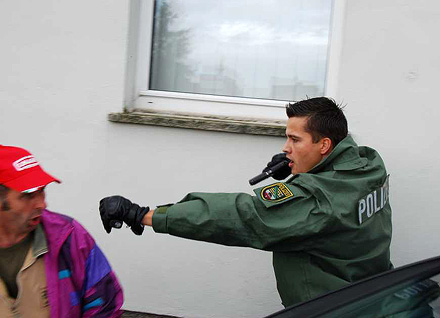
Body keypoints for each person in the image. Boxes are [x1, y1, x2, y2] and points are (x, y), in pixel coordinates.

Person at [99, 97, 392, 307]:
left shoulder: (316, 201)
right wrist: (300, 167)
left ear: (324, 145)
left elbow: (242, 216)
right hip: (371, 295)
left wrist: (145, 215)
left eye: (295, 139)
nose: (285, 147)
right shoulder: (368, 166)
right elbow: (330, 198)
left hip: (328, 308)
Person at [0, 145, 123, 317]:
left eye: (42, 191)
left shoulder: (69, 237)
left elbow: (104, 304)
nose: (42, 204)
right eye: (28, 195)